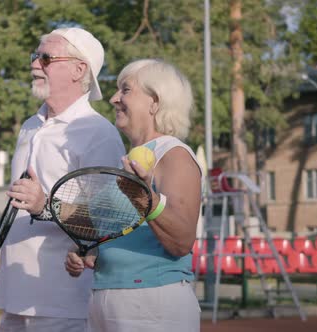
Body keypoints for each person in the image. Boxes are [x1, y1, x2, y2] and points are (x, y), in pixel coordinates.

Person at [0, 28, 125, 332]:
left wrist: (45, 204)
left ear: (78, 69)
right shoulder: (30, 126)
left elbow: (108, 220)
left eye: (45, 58)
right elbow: (22, 199)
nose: (34, 65)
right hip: (16, 294)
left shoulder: (99, 132)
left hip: (66, 299)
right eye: (35, 56)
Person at [65, 59, 202, 332]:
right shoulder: (127, 162)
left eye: (125, 90)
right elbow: (98, 227)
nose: (114, 99)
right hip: (108, 296)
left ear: (155, 102)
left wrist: (143, 198)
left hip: (152, 301)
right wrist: (88, 252)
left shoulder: (174, 154)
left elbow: (182, 241)